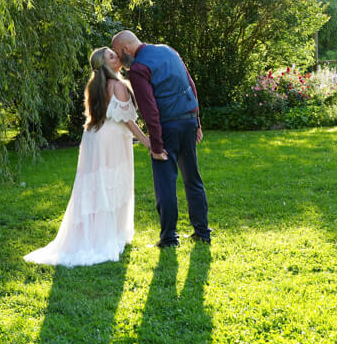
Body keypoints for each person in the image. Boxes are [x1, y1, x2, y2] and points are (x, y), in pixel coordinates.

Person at [25, 46, 151, 267]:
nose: (117, 57)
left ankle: (96, 232)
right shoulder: (117, 85)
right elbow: (127, 120)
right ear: (105, 64)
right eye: (112, 56)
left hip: (94, 137)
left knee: (95, 184)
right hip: (110, 140)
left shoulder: (95, 85)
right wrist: (147, 141)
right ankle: (106, 235)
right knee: (112, 182)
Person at [110, 29, 211, 247]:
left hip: (167, 127)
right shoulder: (169, 50)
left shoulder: (138, 69)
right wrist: (197, 122)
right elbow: (190, 85)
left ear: (126, 48)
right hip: (189, 121)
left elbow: (150, 110)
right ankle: (203, 232)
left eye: (118, 53)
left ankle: (169, 237)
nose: (119, 59)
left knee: (165, 184)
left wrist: (156, 145)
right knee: (192, 179)